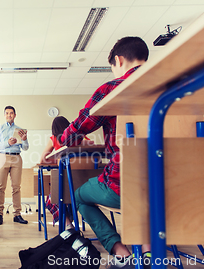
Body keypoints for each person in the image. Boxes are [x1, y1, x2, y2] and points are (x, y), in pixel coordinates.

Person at [59, 36, 151, 268]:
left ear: (118, 60)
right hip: (171, 186)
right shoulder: (172, 86)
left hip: (124, 185)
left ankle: (122, 253)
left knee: (78, 196)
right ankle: (150, 253)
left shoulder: (114, 89)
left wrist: (62, 137)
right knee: (149, 193)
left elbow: (75, 132)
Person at [39, 116, 94, 228]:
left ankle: (68, 224)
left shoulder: (54, 138)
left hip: (65, 183)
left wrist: (59, 160)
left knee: (52, 200)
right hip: (85, 182)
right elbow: (92, 148)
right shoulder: (81, 138)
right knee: (67, 196)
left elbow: (42, 159)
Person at [0, 105, 29, 225]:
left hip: (17, 157)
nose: (9, 115)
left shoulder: (20, 129)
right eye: (7, 113)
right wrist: (7, 143)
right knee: (0, 187)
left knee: (16, 187)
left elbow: (26, 148)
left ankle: (17, 215)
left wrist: (24, 139)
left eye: (11, 113)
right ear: (4, 115)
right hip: (2, 156)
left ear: (15, 115)